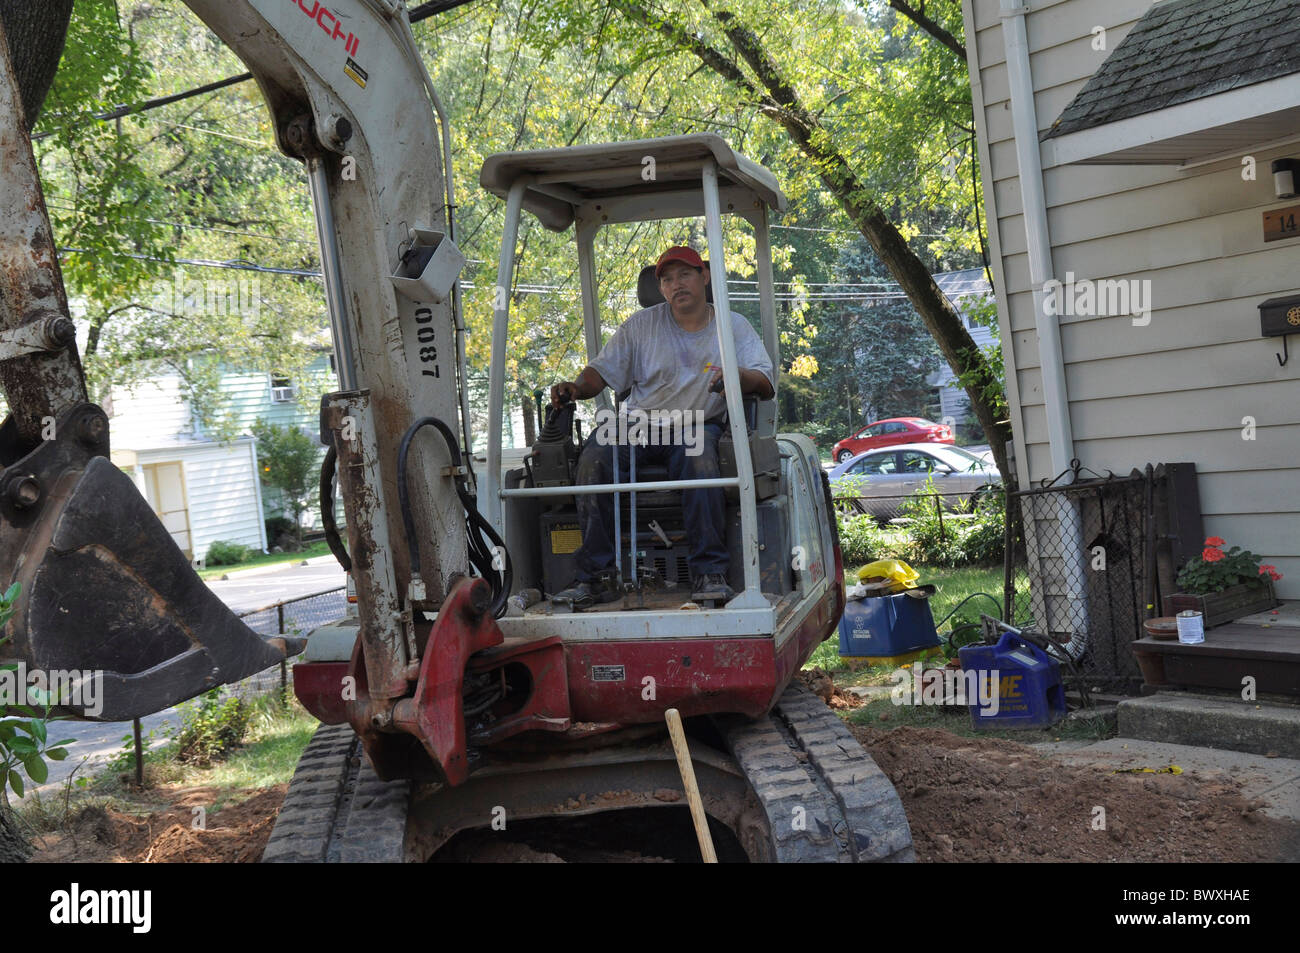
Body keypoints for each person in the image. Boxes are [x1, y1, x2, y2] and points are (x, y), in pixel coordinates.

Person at [549, 246, 774, 608]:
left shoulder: (732, 325)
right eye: (667, 279)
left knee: (699, 460)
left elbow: (764, 381)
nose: (675, 284)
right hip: (637, 424)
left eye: (684, 274)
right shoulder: (640, 326)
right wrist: (576, 388)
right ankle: (595, 577)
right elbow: (600, 372)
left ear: (704, 277)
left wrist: (737, 376)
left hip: (696, 423)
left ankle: (709, 572)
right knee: (593, 459)